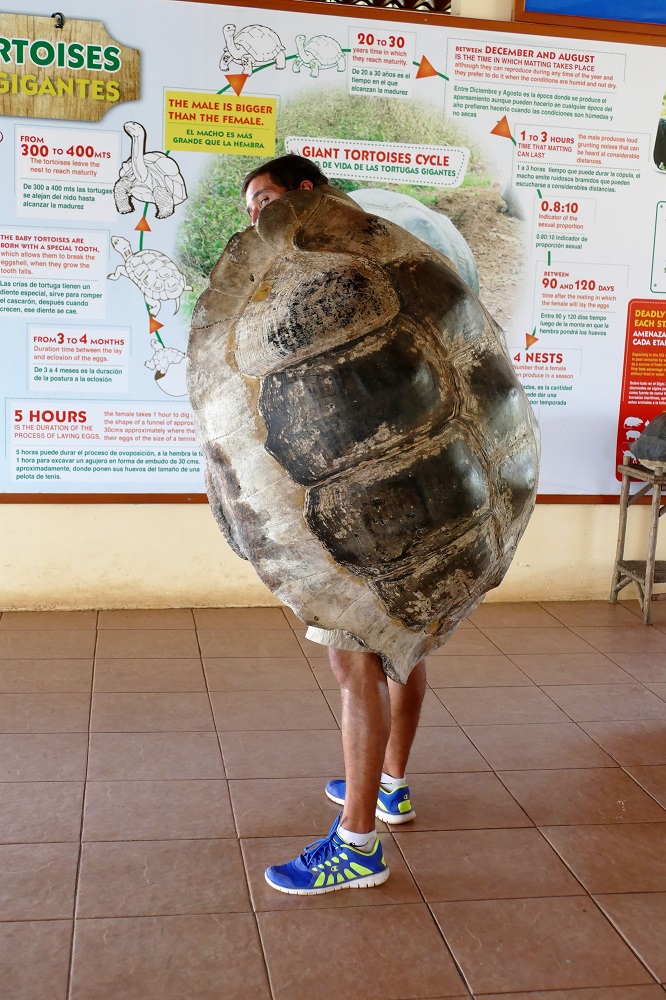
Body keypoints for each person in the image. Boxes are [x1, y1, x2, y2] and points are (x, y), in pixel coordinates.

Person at [242, 154, 427, 895]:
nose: (256, 215)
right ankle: (390, 785)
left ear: (305, 192)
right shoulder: (387, 247)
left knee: (355, 667)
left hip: (360, 495)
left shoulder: (316, 273)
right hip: (418, 487)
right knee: (404, 643)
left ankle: (356, 846)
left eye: (264, 199)